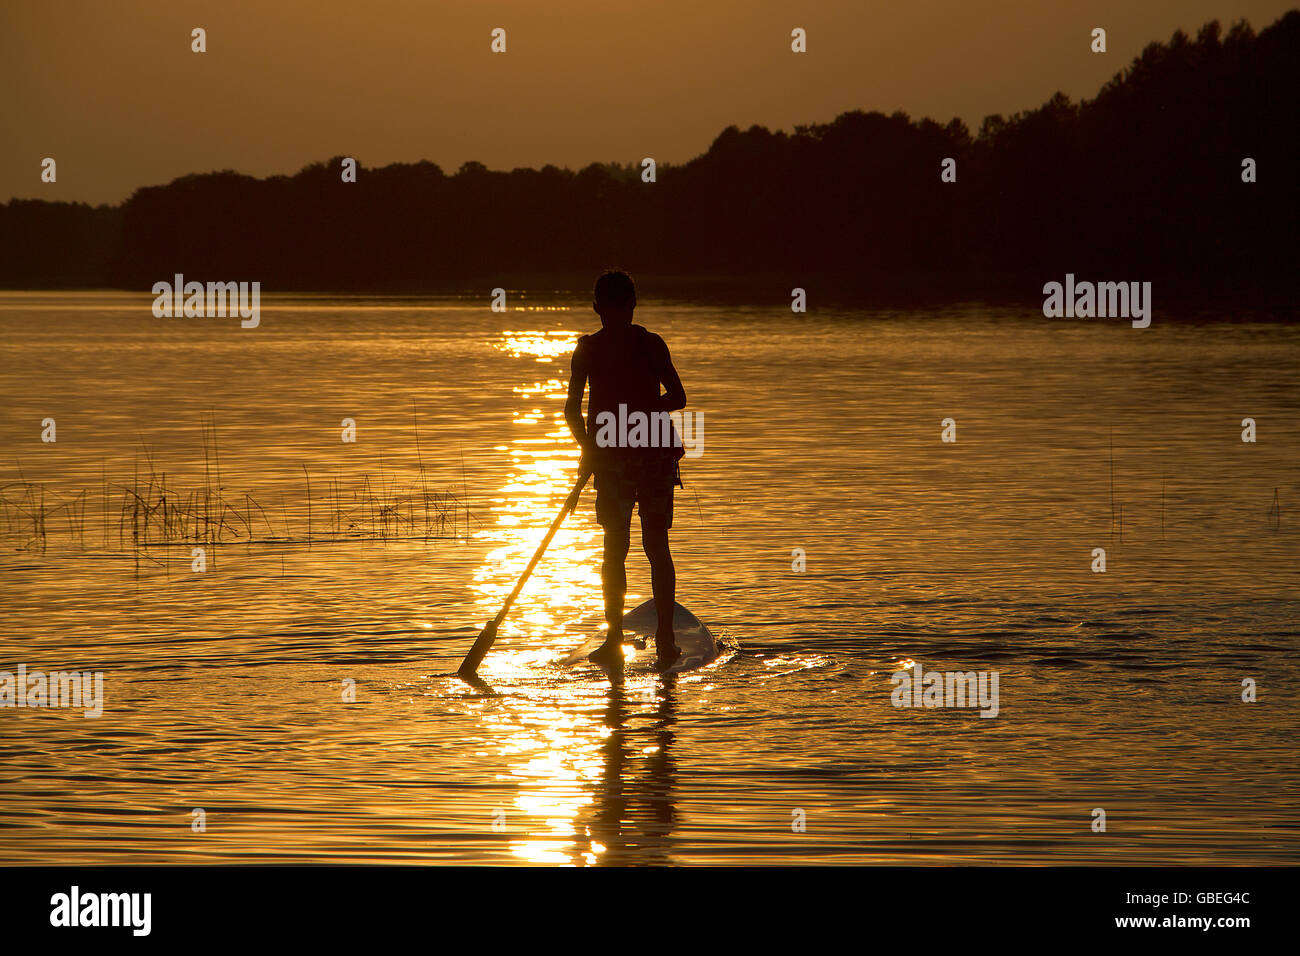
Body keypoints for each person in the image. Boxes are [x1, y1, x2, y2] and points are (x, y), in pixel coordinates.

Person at [564, 270, 687, 668]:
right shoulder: (594, 349)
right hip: (619, 462)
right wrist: (592, 449)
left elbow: (677, 396)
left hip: (647, 460)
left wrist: (628, 423)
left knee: (644, 547)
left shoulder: (646, 346)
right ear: (600, 308)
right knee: (623, 549)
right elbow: (571, 412)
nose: (614, 315)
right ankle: (622, 639)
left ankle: (662, 640)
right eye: (611, 309)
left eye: (619, 308)